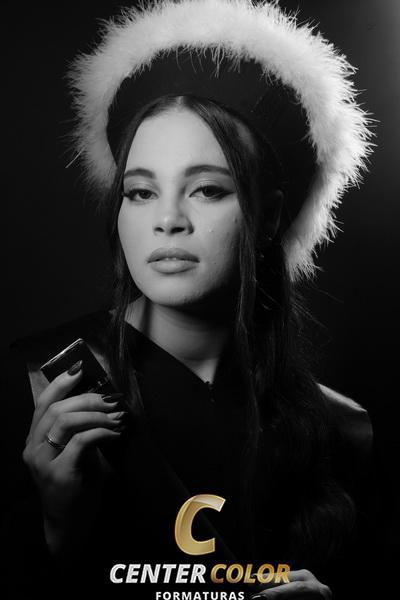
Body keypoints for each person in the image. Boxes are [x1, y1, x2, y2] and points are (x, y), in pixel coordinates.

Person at [1, 1, 380, 599]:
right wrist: (56, 531)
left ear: (269, 217)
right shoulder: (37, 388)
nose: (168, 220)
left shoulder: (341, 431)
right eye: (140, 192)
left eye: (206, 189)